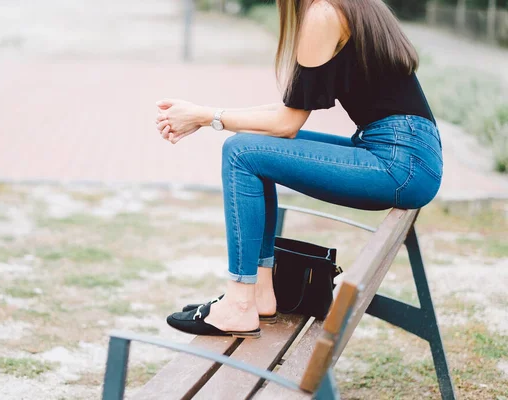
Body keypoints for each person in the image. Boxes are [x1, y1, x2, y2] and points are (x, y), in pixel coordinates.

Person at [155, 0, 443, 339]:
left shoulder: (323, 13)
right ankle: (258, 292)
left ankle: (239, 302)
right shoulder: (345, 5)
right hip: (403, 153)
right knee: (249, 145)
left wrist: (206, 116)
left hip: (398, 162)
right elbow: (286, 114)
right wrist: (205, 117)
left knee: (240, 153)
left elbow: (286, 124)